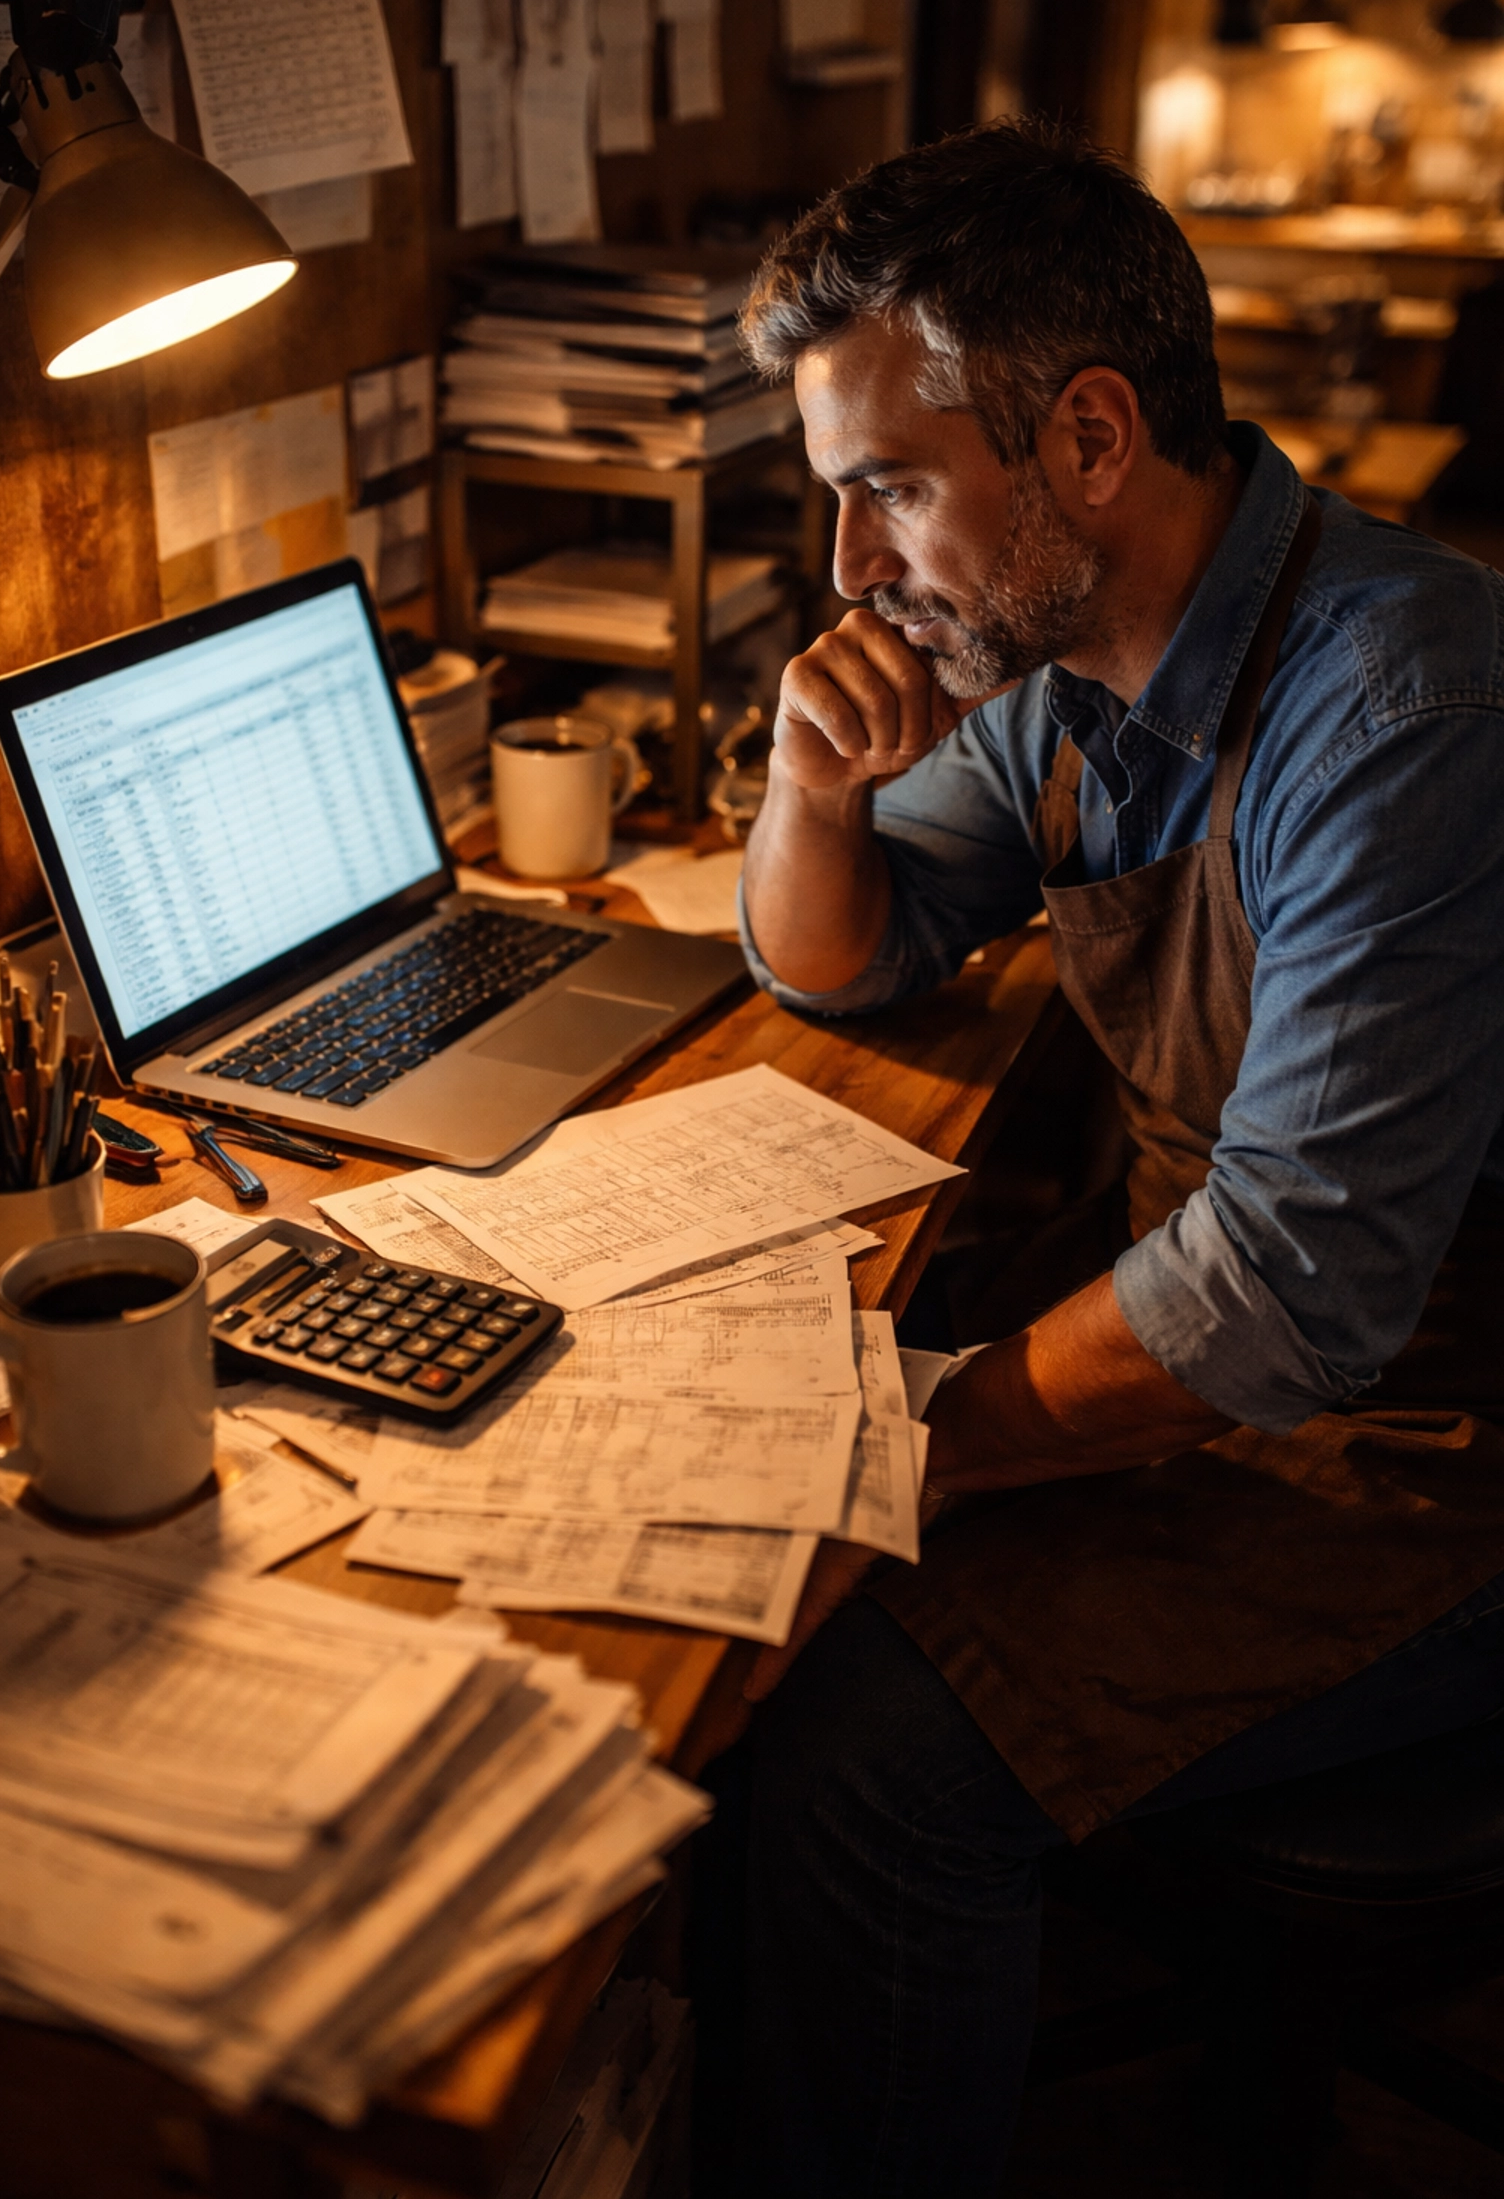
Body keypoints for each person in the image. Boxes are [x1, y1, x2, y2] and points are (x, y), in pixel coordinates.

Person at [694, 117, 1504, 2197]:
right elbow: (847, 956)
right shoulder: (1072, 661)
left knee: (862, 1751)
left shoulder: (1402, 709)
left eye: (889, 486)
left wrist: (908, 1454)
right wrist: (808, 785)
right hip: (1223, 1364)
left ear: (1089, 437)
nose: (852, 566)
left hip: (1427, 1460)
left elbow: (1295, 1293)